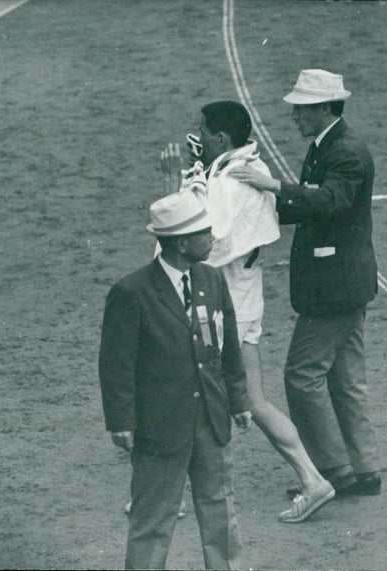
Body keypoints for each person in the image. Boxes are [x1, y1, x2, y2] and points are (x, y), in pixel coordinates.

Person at [159, 100, 335, 524]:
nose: (195, 138)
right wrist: (197, 175)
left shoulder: (230, 183)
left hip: (220, 309)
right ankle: (312, 481)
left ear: (220, 138)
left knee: (193, 395)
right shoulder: (239, 169)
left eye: (201, 131)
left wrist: (172, 184)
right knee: (246, 400)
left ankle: (168, 495)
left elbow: (192, 240)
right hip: (241, 302)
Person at [229, 69, 382, 498]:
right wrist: (265, 207)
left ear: (325, 108)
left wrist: (273, 186)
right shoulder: (329, 146)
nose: (295, 117)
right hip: (346, 283)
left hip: (333, 286)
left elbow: (331, 201)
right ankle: (364, 469)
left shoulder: (344, 151)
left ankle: (333, 470)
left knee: (301, 376)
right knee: (346, 378)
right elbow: (314, 203)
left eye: (302, 109)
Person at [98, 190, 252, 570]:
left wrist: (239, 400)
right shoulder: (130, 293)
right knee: (153, 522)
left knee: (222, 517)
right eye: (205, 231)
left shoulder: (212, 279)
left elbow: (227, 346)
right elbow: (115, 364)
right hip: (159, 428)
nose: (213, 236)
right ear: (182, 243)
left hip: (211, 421)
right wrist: (121, 422)